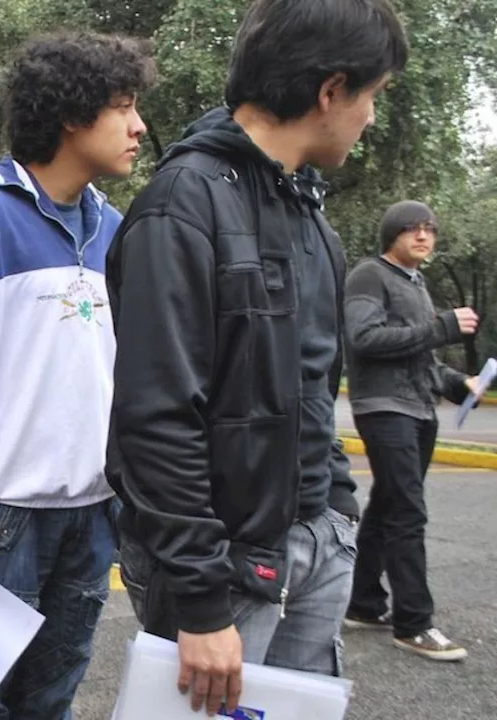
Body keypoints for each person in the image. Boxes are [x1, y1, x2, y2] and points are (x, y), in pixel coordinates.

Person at [106, 0, 409, 713]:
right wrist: (203, 603)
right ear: (331, 90)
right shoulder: (182, 204)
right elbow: (156, 417)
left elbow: (309, 383)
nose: (370, 118)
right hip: (227, 568)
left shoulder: (312, 219)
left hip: (316, 542)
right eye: (371, 96)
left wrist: (337, 509)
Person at [0, 31, 154, 716]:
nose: (138, 127)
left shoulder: (115, 229)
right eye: (124, 106)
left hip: (90, 513)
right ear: (73, 115)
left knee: (53, 696)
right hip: (2, 516)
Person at [343, 201, 476, 661]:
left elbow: (421, 358)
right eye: (411, 229)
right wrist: (442, 326)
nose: (422, 236)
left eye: (429, 230)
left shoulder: (415, 284)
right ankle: (413, 623)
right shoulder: (369, 275)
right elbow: (364, 338)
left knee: (386, 507)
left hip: (418, 410)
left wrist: (462, 385)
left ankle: (363, 604)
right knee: (407, 513)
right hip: (384, 408)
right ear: (391, 234)